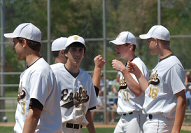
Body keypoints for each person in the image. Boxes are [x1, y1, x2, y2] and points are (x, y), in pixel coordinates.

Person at [4, 23, 62, 133]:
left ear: (24, 43)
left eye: (15, 42)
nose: (13, 46)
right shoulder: (32, 70)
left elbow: (34, 114)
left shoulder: (39, 71)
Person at [128, 25, 186, 133]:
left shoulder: (173, 65)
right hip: (153, 123)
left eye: (149, 40)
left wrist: (176, 130)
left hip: (160, 123)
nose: (147, 43)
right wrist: (138, 73)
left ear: (156, 41)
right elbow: (150, 92)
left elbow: (181, 99)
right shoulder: (162, 63)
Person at [53, 35, 97, 133]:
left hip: (78, 129)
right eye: (73, 50)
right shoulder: (54, 74)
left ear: (84, 54)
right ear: (65, 53)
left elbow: (88, 110)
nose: (77, 53)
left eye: (80, 50)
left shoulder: (86, 78)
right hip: (58, 128)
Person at [110, 31, 149, 133]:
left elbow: (139, 91)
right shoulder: (126, 65)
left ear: (130, 47)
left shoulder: (138, 64)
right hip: (123, 117)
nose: (117, 48)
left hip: (135, 117)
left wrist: (123, 70)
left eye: (120, 45)